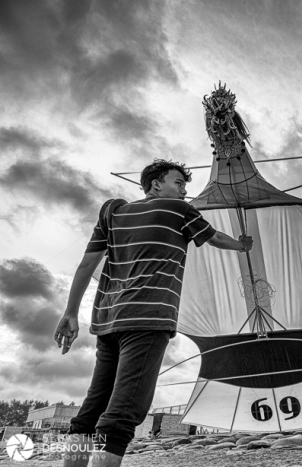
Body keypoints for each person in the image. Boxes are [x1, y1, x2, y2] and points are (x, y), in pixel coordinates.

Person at [54, 160, 253, 467]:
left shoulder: (113, 211)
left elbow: (85, 265)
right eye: (179, 183)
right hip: (148, 318)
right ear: (156, 184)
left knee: (94, 407)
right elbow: (213, 237)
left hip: (108, 320)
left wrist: (70, 313)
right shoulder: (180, 212)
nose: (185, 191)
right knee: (124, 411)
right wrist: (241, 246)